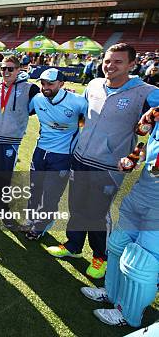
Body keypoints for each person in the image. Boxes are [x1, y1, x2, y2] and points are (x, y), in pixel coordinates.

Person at [47, 43, 159, 279]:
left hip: (109, 165)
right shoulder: (94, 84)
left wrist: (138, 149)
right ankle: (73, 246)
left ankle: (100, 256)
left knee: (98, 213)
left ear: (132, 65)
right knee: (76, 205)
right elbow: (85, 117)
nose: (110, 66)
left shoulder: (145, 91)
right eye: (108, 60)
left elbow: (151, 122)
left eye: (118, 61)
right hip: (81, 157)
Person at [80, 107, 159, 327]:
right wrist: (133, 157)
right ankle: (111, 293)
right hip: (140, 192)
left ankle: (128, 315)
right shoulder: (157, 114)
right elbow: (148, 147)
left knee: (141, 263)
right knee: (117, 245)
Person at [24, 68, 87, 240]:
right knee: (34, 188)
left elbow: (91, 122)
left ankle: (41, 225)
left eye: (50, 84)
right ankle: (31, 218)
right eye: (43, 83)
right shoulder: (37, 99)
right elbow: (24, 110)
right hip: (40, 151)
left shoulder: (78, 102)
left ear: (61, 84)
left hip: (63, 156)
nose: (45, 87)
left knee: (50, 194)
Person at [0, 55, 40, 218]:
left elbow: (40, 106)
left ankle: (2, 204)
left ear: (18, 70)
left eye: (10, 69)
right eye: (3, 68)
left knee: (5, 172)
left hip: (11, 139)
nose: (6, 72)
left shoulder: (30, 88)